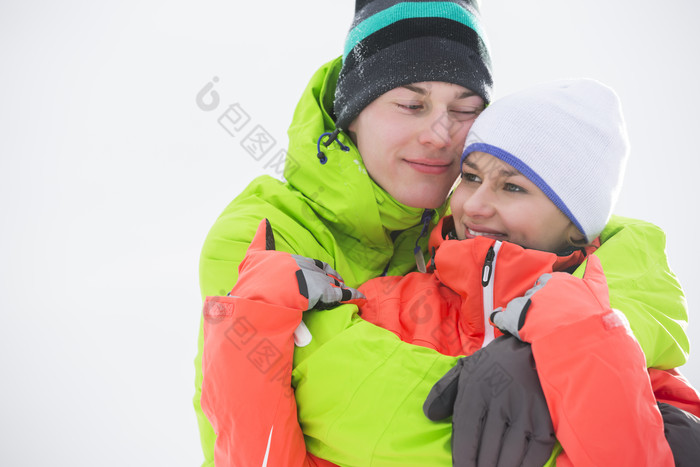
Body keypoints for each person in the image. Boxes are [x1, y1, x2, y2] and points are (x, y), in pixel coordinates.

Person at [194, 1, 690, 465]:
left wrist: (564, 342)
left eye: (464, 108)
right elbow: (362, 411)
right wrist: (595, 406)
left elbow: (630, 255)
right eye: (412, 105)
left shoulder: (465, 220)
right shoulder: (265, 235)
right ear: (352, 113)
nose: (440, 135)